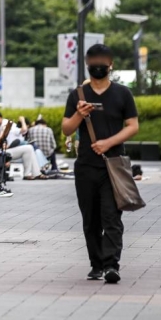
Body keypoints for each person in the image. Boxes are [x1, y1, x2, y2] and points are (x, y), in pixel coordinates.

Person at [62, 44, 138, 284]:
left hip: (113, 164)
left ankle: (111, 265)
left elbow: (133, 126)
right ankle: (96, 264)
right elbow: (66, 128)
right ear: (87, 63)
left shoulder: (123, 93)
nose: (98, 65)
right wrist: (79, 114)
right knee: (91, 219)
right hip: (85, 165)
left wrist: (108, 143)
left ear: (111, 64)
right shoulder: (78, 95)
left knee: (112, 218)